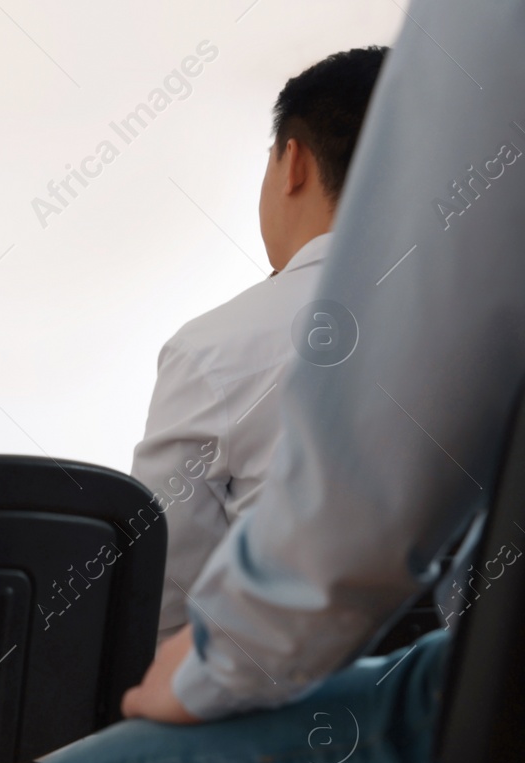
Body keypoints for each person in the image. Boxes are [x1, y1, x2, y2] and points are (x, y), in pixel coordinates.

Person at [0, 0, 525, 763]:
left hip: (442, 741)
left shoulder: (222, 345)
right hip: (478, 728)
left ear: (291, 162)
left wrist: (198, 668)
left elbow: (189, 591)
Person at [131, 46, 385, 643]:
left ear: (292, 161)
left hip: (281, 718)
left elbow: (156, 607)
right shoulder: (489, 321)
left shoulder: (214, 352)